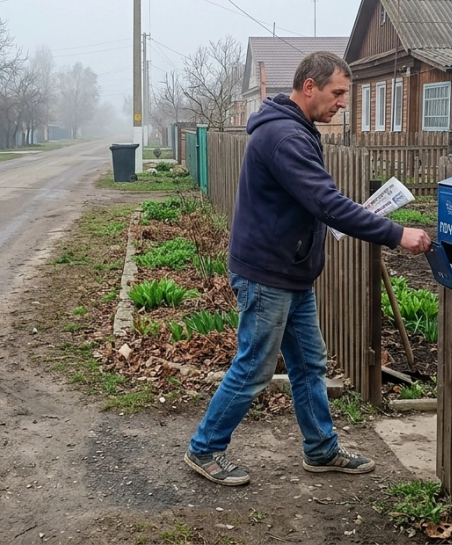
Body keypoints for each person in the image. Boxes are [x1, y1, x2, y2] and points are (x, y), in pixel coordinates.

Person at [184, 51, 432, 486]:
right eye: (337, 93)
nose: (342, 103)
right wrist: (396, 234)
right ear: (310, 86)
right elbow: (326, 202)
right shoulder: (285, 137)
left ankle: (320, 449)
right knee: (255, 367)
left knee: (308, 363)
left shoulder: (294, 129)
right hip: (267, 274)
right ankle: (204, 448)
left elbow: (315, 201)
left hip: (290, 271)